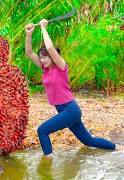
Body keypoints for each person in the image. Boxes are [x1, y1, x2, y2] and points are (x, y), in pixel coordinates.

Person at [25, 19, 124, 158]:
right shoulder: (44, 69)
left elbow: (50, 48)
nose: (42, 60)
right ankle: (117, 148)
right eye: (41, 58)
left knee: (42, 131)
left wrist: (43, 28)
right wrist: (28, 34)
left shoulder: (61, 67)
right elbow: (29, 53)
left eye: (45, 57)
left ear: (54, 57)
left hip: (70, 109)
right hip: (64, 110)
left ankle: (47, 164)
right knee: (88, 141)